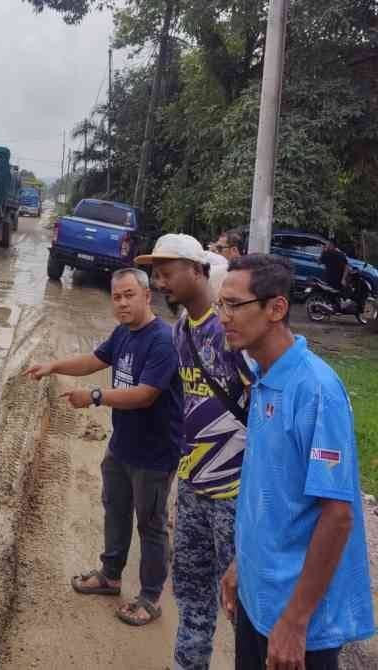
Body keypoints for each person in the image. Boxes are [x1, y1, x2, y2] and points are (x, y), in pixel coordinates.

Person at [218, 255, 375, 669]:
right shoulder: (264, 377)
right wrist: (241, 565)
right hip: (259, 599)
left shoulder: (316, 390)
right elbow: (269, 492)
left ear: (276, 308)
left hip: (298, 621)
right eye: (221, 305)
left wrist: (295, 620)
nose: (223, 317)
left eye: (234, 305)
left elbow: (338, 516)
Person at [24, 268, 183, 627]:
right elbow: (94, 360)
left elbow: (145, 395)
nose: (123, 302)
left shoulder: (163, 340)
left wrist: (95, 396)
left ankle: (150, 596)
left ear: (147, 296)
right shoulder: (124, 334)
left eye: (129, 295)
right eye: (117, 296)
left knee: (152, 525)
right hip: (122, 446)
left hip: (155, 455)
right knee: (115, 509)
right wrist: (53, 365)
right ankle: (110, 576)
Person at [137, 235, 251, 670]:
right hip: (192, 486)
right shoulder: (181, 328)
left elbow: (261, 408)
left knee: (244, 604)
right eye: (156, 273)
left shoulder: (232, 332)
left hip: (235, 494)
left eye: (167, 272)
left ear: (199, 270)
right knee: (191, 593)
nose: (159, 281)